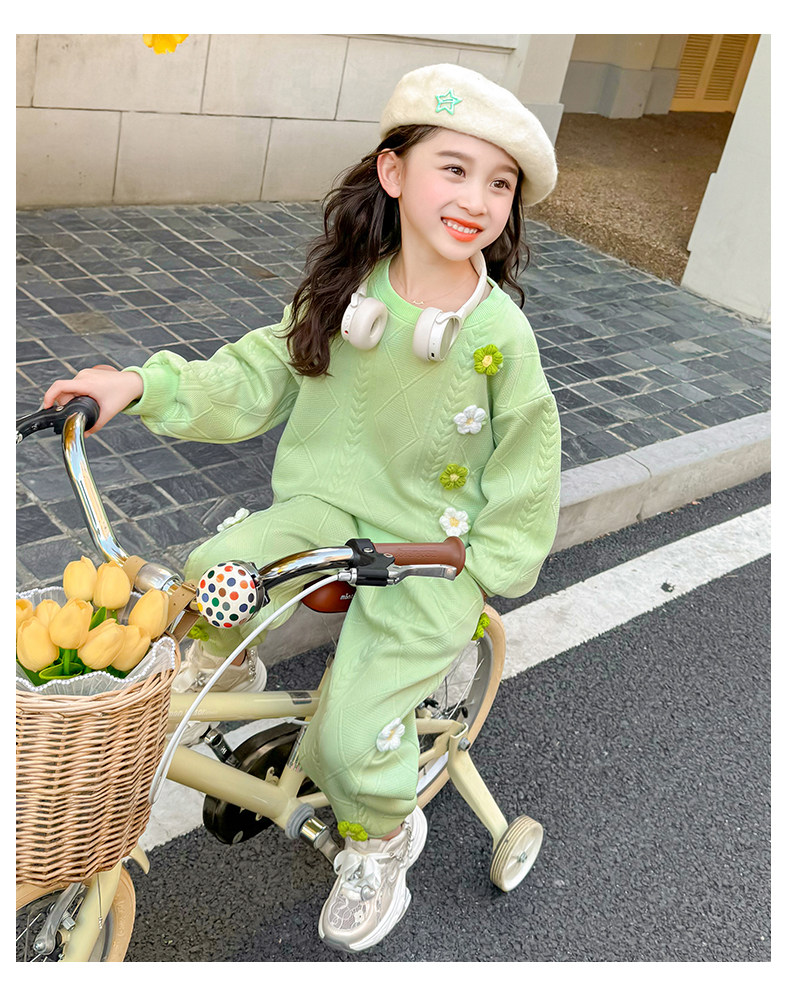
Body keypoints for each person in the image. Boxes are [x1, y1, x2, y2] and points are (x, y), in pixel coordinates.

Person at [43, 63, 562, 952]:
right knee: (209, 574)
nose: (477, 199)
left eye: (500, 183)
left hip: (431, 548)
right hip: (326, 508)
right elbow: (259, 371)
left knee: (351, 739)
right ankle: (232, 673)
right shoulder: (346, 288)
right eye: (453, 168)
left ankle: (384, 837)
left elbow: (529, 456)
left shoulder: (499, 338)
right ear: (393, 171)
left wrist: (484, 566)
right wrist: (139, 383)